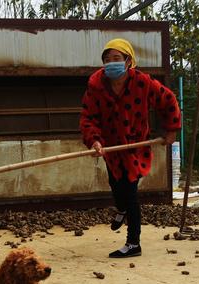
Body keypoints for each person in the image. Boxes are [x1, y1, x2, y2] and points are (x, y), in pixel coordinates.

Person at [80, 38, 182, 258]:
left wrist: (171, 130)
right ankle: (122, 209)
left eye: (116, 58)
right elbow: (89, 117)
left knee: (130, 192)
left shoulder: (142, 82)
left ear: (128, 61)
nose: (110, 63)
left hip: (135, 146)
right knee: (116, 186)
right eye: (107, 59)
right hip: (111, 148)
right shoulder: (96, 85)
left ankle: (133, 243)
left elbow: (168, 100)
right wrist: (94, 140)